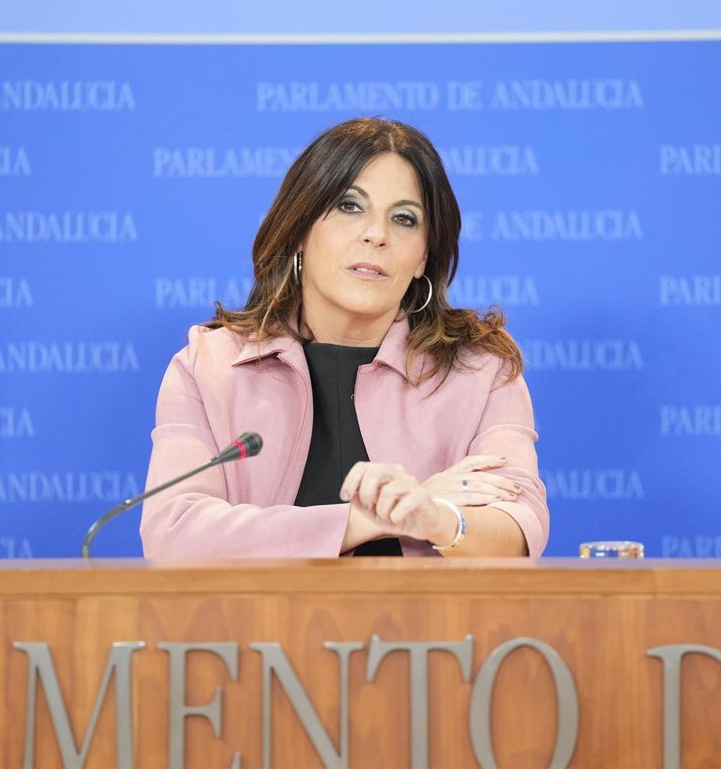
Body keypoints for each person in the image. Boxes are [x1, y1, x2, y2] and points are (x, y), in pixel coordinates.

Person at [140, 118, 548, 558]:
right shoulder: (209, 366)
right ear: (299, 230)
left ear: (422, 258)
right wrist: (363, 520)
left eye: (404, 219)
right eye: (350, 206)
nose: (377, 235)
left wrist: (437, 518)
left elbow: (518, 529)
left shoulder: (479, 370)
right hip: (262, 608)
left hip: (425, 608)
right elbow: (173, 534)